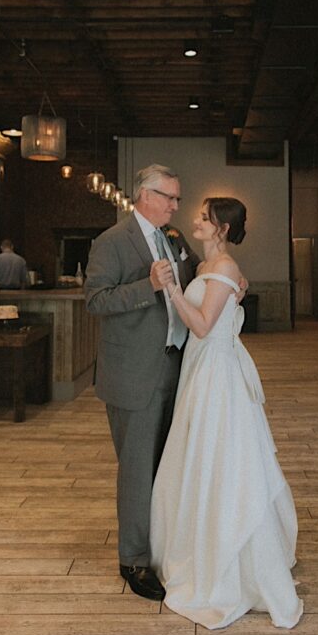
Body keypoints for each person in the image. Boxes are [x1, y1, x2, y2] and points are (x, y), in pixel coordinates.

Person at [150, 196, 303, 629]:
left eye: (204, 218)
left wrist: (172, 291)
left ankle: (232, 558)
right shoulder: (207, 266)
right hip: (202, 366)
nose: (196, 221)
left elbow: (201, 324)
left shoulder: (224, 268)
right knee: (199, 456)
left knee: (220, 457)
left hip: (216, 373)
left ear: (221, 228)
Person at [83, 164, 201, 601]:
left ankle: (163, 547)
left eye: (177, 198)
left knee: (167, 465)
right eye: (170, 197)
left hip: (176, 365)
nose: (175, 205)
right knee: (137, 471)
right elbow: (95, 300)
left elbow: (194, 278)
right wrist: (146, 285)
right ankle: (133, 559)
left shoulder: (175, 240)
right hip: (134, 372)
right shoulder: (111, 242)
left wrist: (227, 276)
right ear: (145, 196)